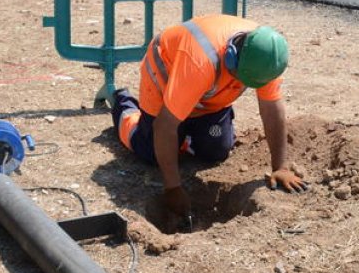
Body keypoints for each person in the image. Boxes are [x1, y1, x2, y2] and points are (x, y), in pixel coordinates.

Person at [111, 14, 306, 219]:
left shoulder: (265, 58)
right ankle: (124, 108)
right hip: (164, 83)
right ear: (231, 55)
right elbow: (164, 126)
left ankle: (185, 134)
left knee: (216, 152)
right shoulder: (200, 60)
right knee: (151, 152)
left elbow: (271, 109)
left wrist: (280, 167)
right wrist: (172, 188)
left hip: (206, 97)